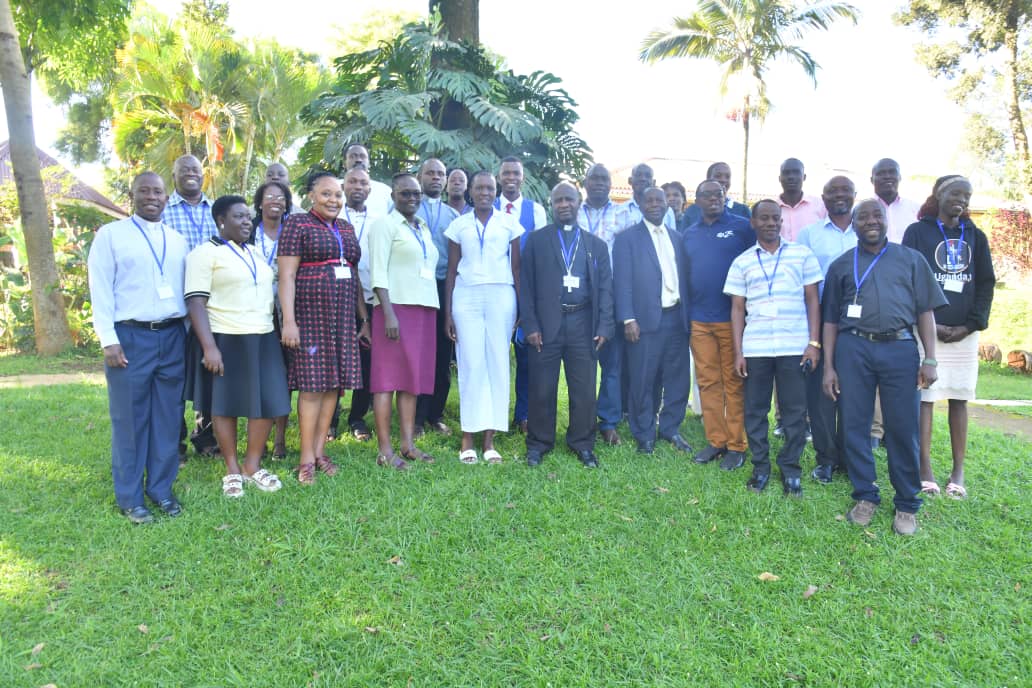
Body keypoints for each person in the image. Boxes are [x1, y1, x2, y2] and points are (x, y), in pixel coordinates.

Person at [821, 199, 947, 536]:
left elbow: (925, 312)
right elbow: (830, 320)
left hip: (900, 348)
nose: (871, 221)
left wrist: (930, 358)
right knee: (854, 425)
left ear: (886, 220)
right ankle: (865, 496)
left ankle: (906, 503)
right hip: (853, 348)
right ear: (854, 223)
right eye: (863, 217)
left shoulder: (910, 260)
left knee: (902, 428)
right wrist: (829, 367)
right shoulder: (841, 266)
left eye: (877, 215)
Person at [88, 171, 188, 524]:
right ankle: (130, 497)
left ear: (166, 197)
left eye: (158, 191)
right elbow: (99, 289)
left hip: (173, 335)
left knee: (168, 417)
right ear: (132, 195)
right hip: (130, 337)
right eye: (144, 190)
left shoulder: (177, 241)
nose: (151, 196)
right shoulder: (111, 236)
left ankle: (161, 489)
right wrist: (108, 340)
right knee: (130, 419)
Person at [185, 195, 290, 497]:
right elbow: (195, 301)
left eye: (248, 216)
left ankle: (252, 465)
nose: (246, 221)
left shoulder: (256, 253)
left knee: (266, 402)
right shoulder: (205, 253)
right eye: (238, 216)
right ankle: (232, 469)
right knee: (225, 404)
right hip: (225, 337)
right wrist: (209, 348)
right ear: (221, 220)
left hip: (263, 336)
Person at [902, 175, 995, 499]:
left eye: (967, 195)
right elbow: (908, 278)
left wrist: (971, 325)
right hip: (927, 331)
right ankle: (924, 469)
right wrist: (930, 324)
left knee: (959, 398)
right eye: (956, 193)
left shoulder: (975, 236)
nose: (962, 200)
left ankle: (958, 472)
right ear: (939, 195)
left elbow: (985, 283)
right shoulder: (918, 232)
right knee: (925, 399)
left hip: (963, 335)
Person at [724, 200, 822, 496]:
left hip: (794, 345)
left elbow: (813, 301)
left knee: (794, 412)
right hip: (756, 348)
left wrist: (813, 344)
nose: (770, 223)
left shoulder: (802, 255)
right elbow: (737, 310)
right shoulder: (742, 261)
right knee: (755, 411)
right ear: (752, 223)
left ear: (782, 222)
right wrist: (739, 352)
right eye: (763, 218)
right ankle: (760, 467)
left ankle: (791, 470)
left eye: (775, 218)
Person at [278, 171, 369, 485]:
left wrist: (363, 319)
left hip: (342, 319)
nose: (334, 200)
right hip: (310, 317)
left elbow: (353, 274)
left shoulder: (346, 226)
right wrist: (289, 321)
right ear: (311, 196)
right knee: (313, 386)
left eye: (338, 195)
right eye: (326, 194)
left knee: (333, 385)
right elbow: (286, 276)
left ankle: (319, 452)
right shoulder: (297, 224)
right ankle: (305, 458)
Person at [522, 182, 614, 467]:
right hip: (546, 323)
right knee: (541, 387)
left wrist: (604, 327)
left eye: (569, 199)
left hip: (583, 322)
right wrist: (531, 326)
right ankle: (539, 443)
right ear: (552, 204)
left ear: (579, 202)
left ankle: (583, 443)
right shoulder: (536, 241)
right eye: (558, 200)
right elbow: (524, 287)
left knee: (584, 388)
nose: (564, 204)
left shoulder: (596, 245)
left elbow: (606, 289)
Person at [443, 171, 522, 464]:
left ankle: (489, 440)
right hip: (467, 297)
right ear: (470, 192)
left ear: (496, 190)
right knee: (471, 363)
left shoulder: (509, 224)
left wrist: (522, 307)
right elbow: (451, 271)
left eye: (490, 188)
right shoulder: (458, 225)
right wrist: (448, 313)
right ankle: (467, 438)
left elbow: (516, 269)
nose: (485, 192)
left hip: (502, 296)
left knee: (498, 363)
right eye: (479, 188)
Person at [368, 173, 440, 470]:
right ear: (393, 196)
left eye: (416, 194)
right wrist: (388, 314)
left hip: (423, 310)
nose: (412, 198)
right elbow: (378, 273)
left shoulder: (422, 227)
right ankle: (385, 451)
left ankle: (408, 445)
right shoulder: (384, 226)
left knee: (411, 381)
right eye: (405, 193)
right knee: (386, 381)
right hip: (395, 309)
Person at [614, 187, 692, 455]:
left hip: (676, 318)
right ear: (640, 204)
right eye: (650, 200)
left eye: (660, 200)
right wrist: (627, 318)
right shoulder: (627, 239)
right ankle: (644, 432)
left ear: (667, 205)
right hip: (644, 321)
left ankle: (670, 428)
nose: (656, 205)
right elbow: (621, 282)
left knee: (677, 379)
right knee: (643, 379)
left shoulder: (678, 238)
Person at [683, 180, 755, 469]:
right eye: (706, 195)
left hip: (732, 319)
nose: (713, 199)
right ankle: (716, 441)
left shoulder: (742, 227)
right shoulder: (689, 234)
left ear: (726, 198)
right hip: (699, 320)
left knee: (734, 382)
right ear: (697, 200)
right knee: (708, 382)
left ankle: (738, 445)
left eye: (718, 194)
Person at [795, 176, 857, 483]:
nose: (840, 196)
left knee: (853, 396)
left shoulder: (868, 231)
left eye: (845, 190)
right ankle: (825, 459)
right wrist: (812, 338)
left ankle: (849, 457)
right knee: (821, 397)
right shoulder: (809, 236)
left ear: (855, 195)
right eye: (833, 192)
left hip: (858, 327)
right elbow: (804, 285)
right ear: (823, 198)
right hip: (819, 324)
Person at [162, 154, 218, 457]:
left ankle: (206, 437)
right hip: (175, 308)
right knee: (174, 376)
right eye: (183, 170)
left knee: (209, 373)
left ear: (203, 175)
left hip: (212, 306)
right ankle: (177, 442)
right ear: (174, 176)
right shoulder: (163, 211)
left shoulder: (217, 211)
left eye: (195, 169)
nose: (190, 174)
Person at [577, 163, 630, 445]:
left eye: (603, 179)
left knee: (612, 363)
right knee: (583, 363)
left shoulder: (624, 215)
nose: (598, 183)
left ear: (611, 185)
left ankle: (608, 422)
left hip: (611, 295)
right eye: (593, 178)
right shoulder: (572, 212)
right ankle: (584, 419)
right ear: (584, 183)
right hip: (579, 298)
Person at [494, 156, 547, 433]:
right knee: (494, 354)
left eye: (516, 173)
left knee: (526, 354)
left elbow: (540, 253)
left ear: (523, 178)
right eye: (506, 173)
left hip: (525, 292)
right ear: (499, 177)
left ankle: (523, 414)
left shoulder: (535, 211)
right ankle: (494, 414)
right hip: (493, 291)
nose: (511, 178)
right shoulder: (485, 206)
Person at [331, 167, 380, 442]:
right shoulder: (332, 215)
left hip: (370, 297)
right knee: (334, 358)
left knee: (367, 360)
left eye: (363, 182)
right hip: (336, 298)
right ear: (344, 186)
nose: (358, 186)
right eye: (352, 181)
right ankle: (330, 418)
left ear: (370, 189)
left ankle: (358, 417)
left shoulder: (379, 220)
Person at [415, 158, 461, 437]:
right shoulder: (408, 207)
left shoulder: (453, 216)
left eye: (440, 174)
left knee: (443, 356)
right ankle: (416, 418)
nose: (435, 177)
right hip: (415, 289)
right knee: (419, 355)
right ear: (420, 176)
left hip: (444, 287)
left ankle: (435, 414)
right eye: (430, 172)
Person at [251, 180, 293, 460]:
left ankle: (280, 438)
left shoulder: (293, 229)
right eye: (269, 196)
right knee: (256, 377)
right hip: (252, 310)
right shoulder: (246, 228)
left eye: (281, 197)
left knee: (282, 376)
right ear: (259, 202)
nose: (275, 201)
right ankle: (258, 440)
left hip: (284, 311)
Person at [682, 162, 751, 226]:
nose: (723, 180)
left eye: (727, 177)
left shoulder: (742, 210)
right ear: (708, 179)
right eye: (718, 176)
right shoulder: (692, 210)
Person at [872, 158, 920, 244]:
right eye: (881, 173)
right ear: (872, 180)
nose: (887, 176)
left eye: (892, 172)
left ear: (900, 177)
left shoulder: (916, 209)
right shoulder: (861, 211)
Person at [776, 158, 826, 241]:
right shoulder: (771, 209)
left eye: (796, 172)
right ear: (779, 178)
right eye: (786, 173)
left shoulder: (821, 206)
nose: (791, 177)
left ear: (804, 177)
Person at [619, 162, 676, 231]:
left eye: (648, 176)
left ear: (654, 182)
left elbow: (671, 238)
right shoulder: (620, 210)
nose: (643, 179)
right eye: (638, 175)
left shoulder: (667, 211)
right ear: (630, 180)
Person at [344, 143, 392, 215]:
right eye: (353, 156)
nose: (358, 160)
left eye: (363, 156)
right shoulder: (333, 188)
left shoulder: (385, 191)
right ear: (344, 163)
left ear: (369, 163)